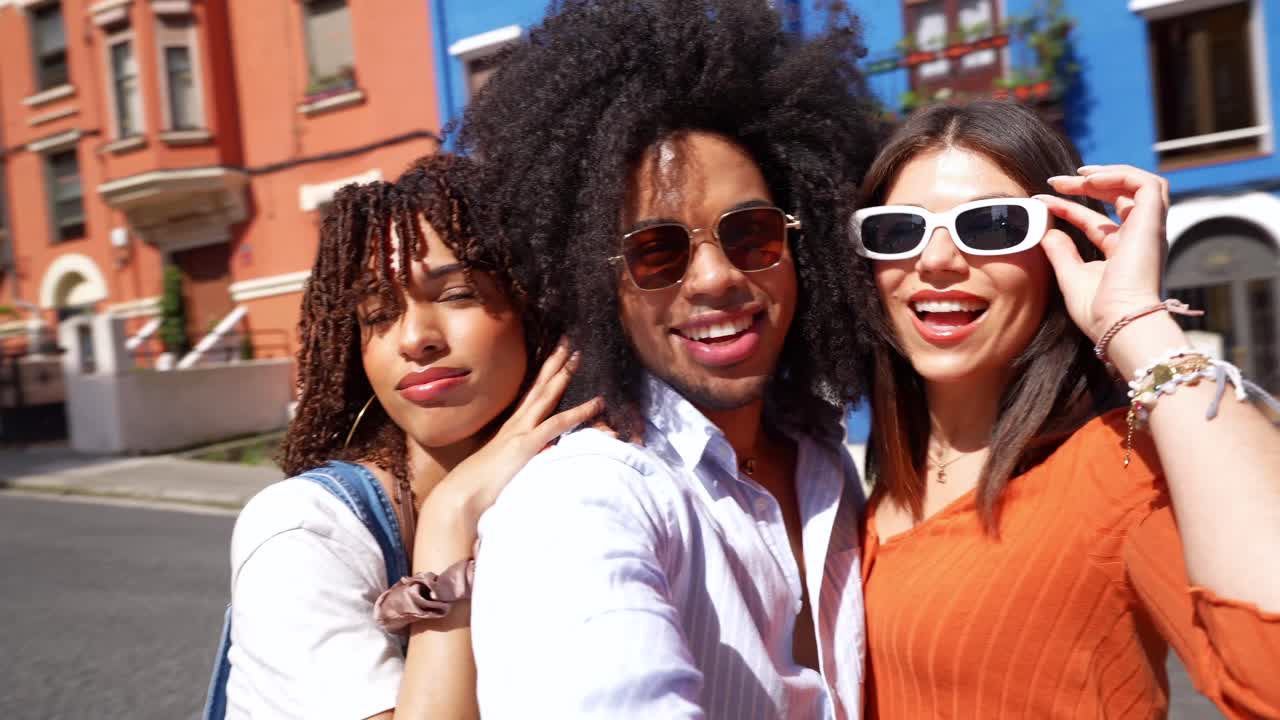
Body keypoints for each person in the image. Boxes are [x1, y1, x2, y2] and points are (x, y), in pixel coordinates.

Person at [456, 1, 881, 717]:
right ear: (596, 284)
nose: (715, 278)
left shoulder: (821, 456)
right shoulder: (581, 503)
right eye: (657, 251)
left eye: (750, 233)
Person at [853, 101, 1280, 719]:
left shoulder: (1119, 467)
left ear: (1062, 251)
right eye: (898, 231)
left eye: (992, 225)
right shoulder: (857, 488)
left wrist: (1136, 319)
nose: (936, 261)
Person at [217, 155, 601, 719]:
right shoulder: (301, 531)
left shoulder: (589, 484)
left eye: (456, 294)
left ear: (532, 307)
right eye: (377, 312)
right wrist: (449, 517)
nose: (415, 338)